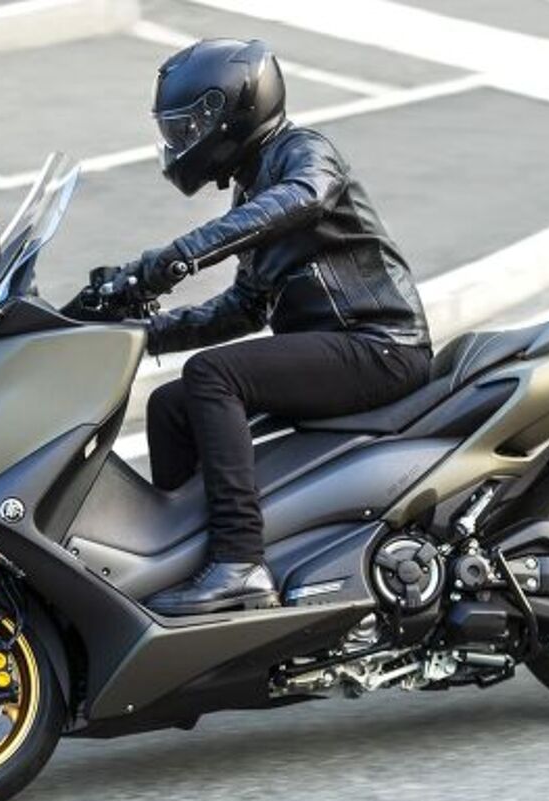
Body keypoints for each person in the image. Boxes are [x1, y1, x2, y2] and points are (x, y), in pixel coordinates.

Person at [85, 38, 432, 616]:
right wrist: (139, 334)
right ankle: (185, 557)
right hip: (335, 346)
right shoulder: (252, 186)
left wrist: (178, 257)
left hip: (379, 344)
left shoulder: (305, 153)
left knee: (212, 376)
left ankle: (239, 562)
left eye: (188, 127)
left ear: (232, 113)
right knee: (171, 405)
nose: (180, 141)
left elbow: (304, 197)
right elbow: (245, 307)